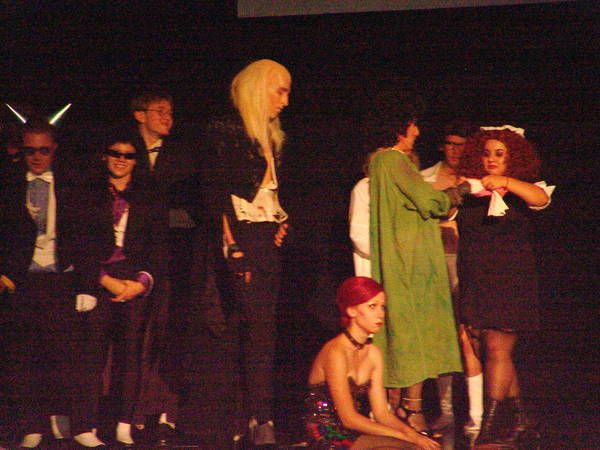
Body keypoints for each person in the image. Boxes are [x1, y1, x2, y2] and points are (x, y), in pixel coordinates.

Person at [0, 120, 105, 448]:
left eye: (43, 150)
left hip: (62, 279)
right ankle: (32, 426)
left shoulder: (73, 183)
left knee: (71, 358)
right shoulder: (9, 183)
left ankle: (82, 426)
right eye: (30, 151)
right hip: (21, 280)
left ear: (54, 149)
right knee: (24, 358)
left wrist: (87, 285)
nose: (37, 157)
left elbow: (89, 236)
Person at [204, 58, 292, 446]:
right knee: (241, 330)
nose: (285, 101)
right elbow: (218, 195)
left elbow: (272, 195)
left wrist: (282, 222)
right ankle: (243, 417)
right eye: (280, 91)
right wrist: (233, 246)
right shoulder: (226, 132)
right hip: (239, 241)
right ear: (259, 89)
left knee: (263, 333)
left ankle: (260, 416)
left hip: (265, 240)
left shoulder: (271, 137)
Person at [366, 91, 465, 437]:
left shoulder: (382, 163)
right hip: (410, 260)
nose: (418, 131)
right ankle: (412, 411)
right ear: (400, 125)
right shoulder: (392, 160)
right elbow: (428, 200)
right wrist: (459, 192)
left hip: (406, 255)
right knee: (412, 334)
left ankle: (405, 408)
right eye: (413, 124)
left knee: (410, 333)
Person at [72, 132, 177, 447]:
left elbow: (159, 245)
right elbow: (79, 242)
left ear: (136, 160)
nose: (121, 159)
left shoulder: (149, 195)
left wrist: (141, 282)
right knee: (92, 355)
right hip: (98, 278)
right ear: (105, 156)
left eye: (128, 155)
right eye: (115, 153)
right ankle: (85, 426)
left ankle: (124, 423)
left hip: (134, 280)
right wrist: (103, 280)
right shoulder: (89, 192)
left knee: (131, 355)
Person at [455, 125, 553, 446]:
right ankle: (522, 418)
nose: (492, 159)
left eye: (500, 154)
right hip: (477, 282)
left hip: (509, 284)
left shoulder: (524, 190)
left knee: (498, 350)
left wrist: (506, 182)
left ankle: (489, 427)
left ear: (514, 158)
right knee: (492, 352)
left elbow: (541, 199)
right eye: (486, 154)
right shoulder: (470, 192)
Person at [305, 276, 441, 449]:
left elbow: (382, 413)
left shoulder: (373, 353)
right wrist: (405, 437)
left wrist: (414, 435)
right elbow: (348, 418)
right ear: (352, 311)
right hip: (326, 434)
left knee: (420, 446)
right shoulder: (336, 352)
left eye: (382, 307)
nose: (380, 314)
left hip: (353, 432)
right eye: (372, 306)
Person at [421, 120, 483, 444]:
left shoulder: (478, 180)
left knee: (469, 338)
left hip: (470, 264)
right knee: (441, 338)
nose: (456, 150)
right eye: (451, 144)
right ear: (442, 146)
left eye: (462, 145)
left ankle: (478, 415)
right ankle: (446, 411)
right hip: (435, 264)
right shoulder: (424, 178)